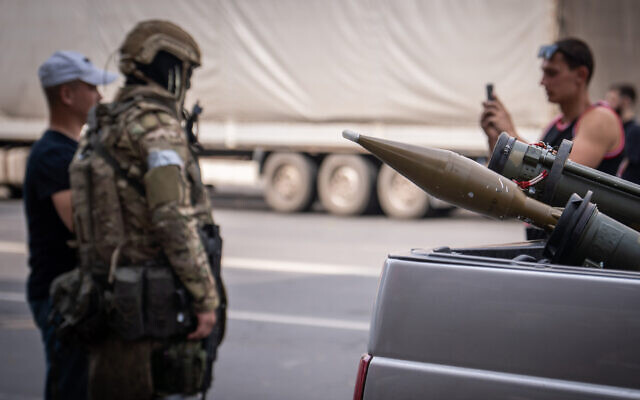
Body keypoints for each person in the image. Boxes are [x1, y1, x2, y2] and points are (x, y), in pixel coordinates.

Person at [68, 20, 222, 400]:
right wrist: (205, 297)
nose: (183, 82)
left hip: (107, 296)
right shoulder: (156, 128)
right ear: (166, 66)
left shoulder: (106, 121)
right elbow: (173, 219)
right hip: (149, 306)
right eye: (183, 71)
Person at [23, 51, 117, 399]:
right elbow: (83, 225)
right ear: (67, 95)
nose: (100, 97)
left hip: (73, 293)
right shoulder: (53, 155)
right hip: (59, 295)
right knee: (70, 387)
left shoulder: (70, 149)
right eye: (92, 88)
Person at [481, 38, 625, 175]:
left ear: (581, 75)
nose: (542, 82)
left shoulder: (601, 118)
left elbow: (562, 173)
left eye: (551, 73)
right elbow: (524, 175)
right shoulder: (554, 125)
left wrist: (509, 133)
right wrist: (496, 139)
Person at [605, 83, 640, 184]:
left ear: (625, 101)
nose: (607, 104)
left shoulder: (634, 131)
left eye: (612, 100)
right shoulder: (616, 127)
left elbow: (623, 167)